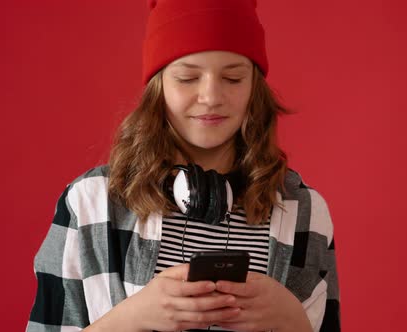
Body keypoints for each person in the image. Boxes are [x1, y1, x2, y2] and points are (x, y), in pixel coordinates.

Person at [26, 0, 340, 331]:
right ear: (158, 88)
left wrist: (293, 321)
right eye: (188, 78)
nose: (211, 96)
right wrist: (133, 317)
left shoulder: (305, 211)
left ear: (254, 89)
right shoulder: (91, 203)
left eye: (233, 78)